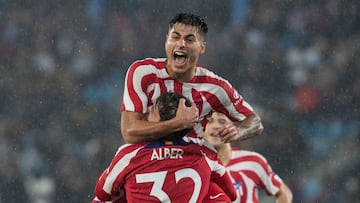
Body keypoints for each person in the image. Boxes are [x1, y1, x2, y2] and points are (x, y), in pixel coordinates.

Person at [121, 12, 264, 144]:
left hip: (191, 160)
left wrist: (240, 130)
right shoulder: (143, 73)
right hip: (145, 157)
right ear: (166, 40)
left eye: (189, 40)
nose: (181, 44)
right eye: (175, 37)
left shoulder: (215, 87)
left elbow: (255, 121)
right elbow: (128, 132)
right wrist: (177, 123)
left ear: (202, 48)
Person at [93, 93, 237, 203]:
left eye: (153, 110)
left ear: (164, 123)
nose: (147, 111)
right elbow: (232, 194)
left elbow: (102, 193)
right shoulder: (205, 152)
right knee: (215, 190)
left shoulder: (129, 153)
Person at [204, 112, 293, 203]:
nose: (215, 126)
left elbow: (284, 192)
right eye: (209, 121)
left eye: (222, 121)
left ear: (234, 127)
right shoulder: (193, 166)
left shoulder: (252, 161)